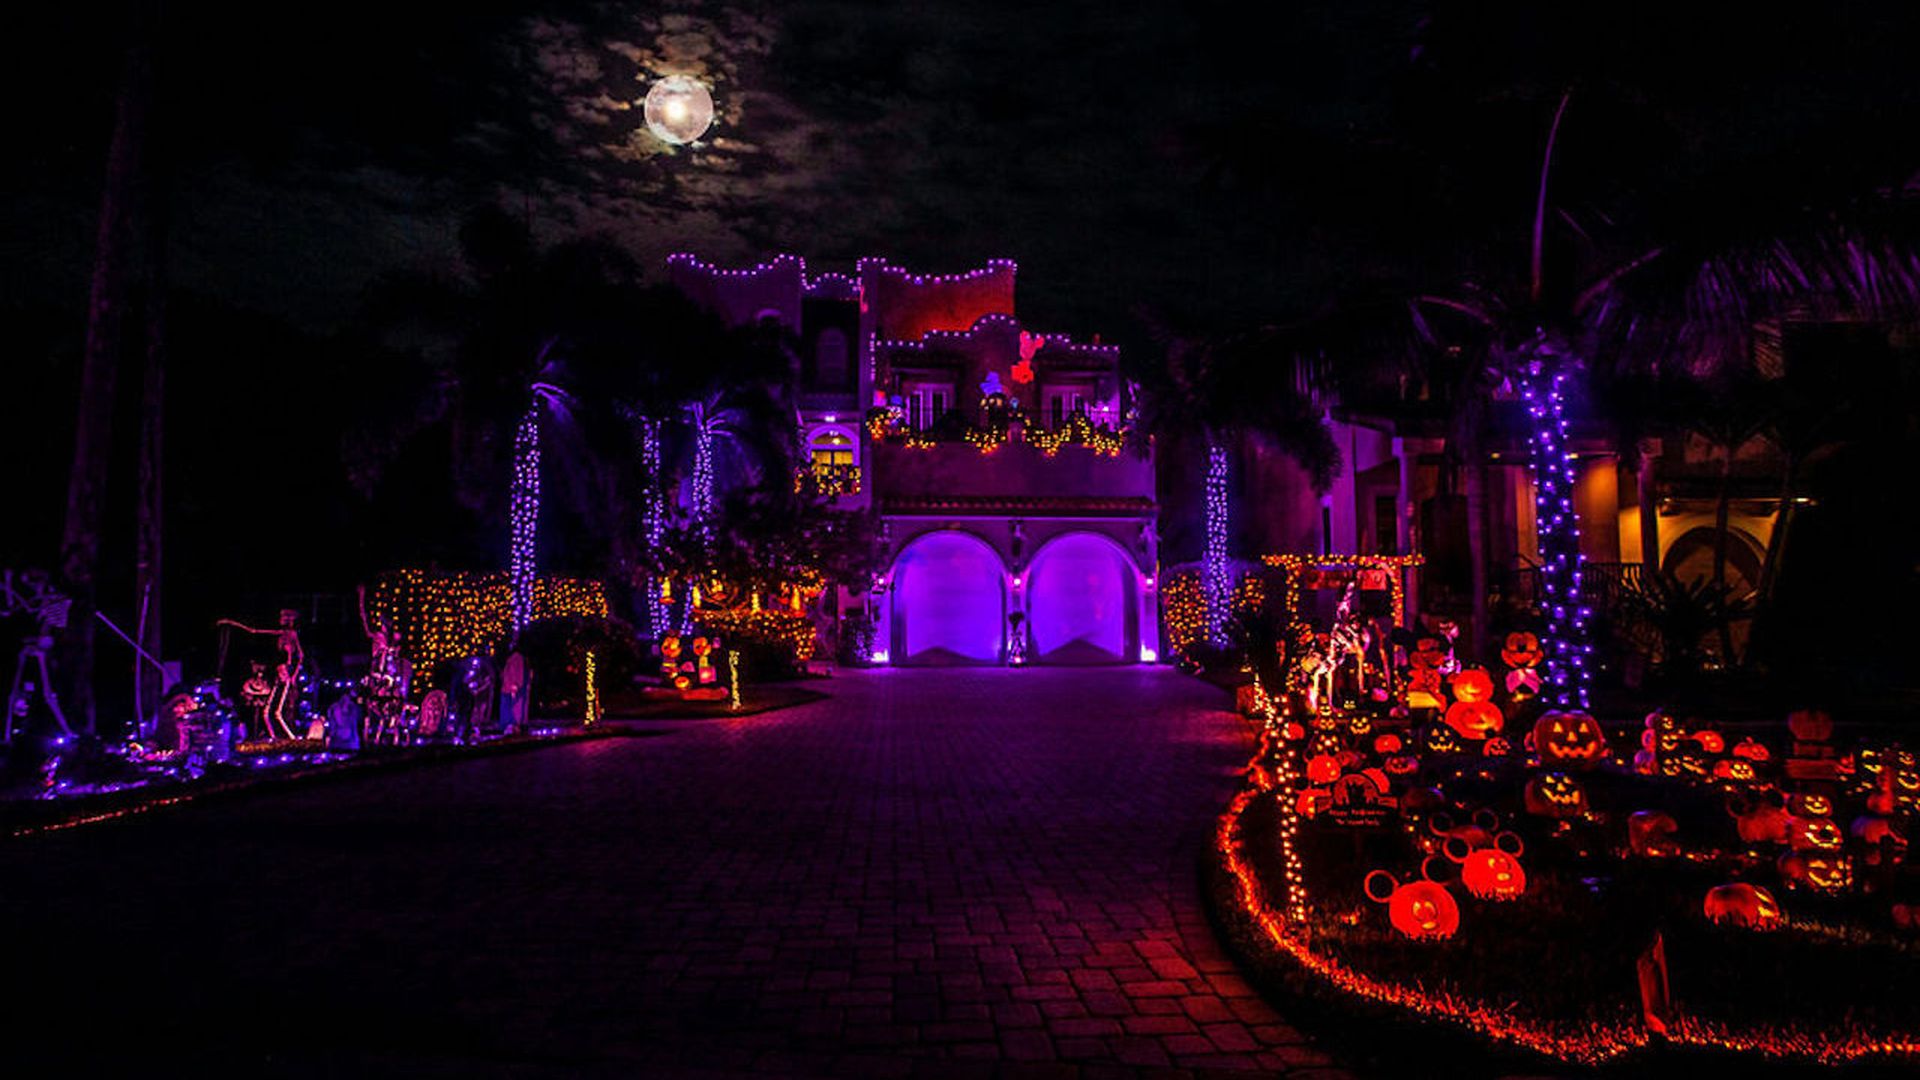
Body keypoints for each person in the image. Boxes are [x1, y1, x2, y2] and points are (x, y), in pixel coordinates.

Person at [217, 610, 304, 739]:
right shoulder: (281, 634)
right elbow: (254, 631)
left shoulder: (291, 634)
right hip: (279, 673)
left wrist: (293, 676)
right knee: (267, 711)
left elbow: (301, 655)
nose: (283, 620)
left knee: (278, 711)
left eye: (286, 618)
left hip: (286, 673)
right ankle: (275, 738)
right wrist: (232, 623)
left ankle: (291, 737)